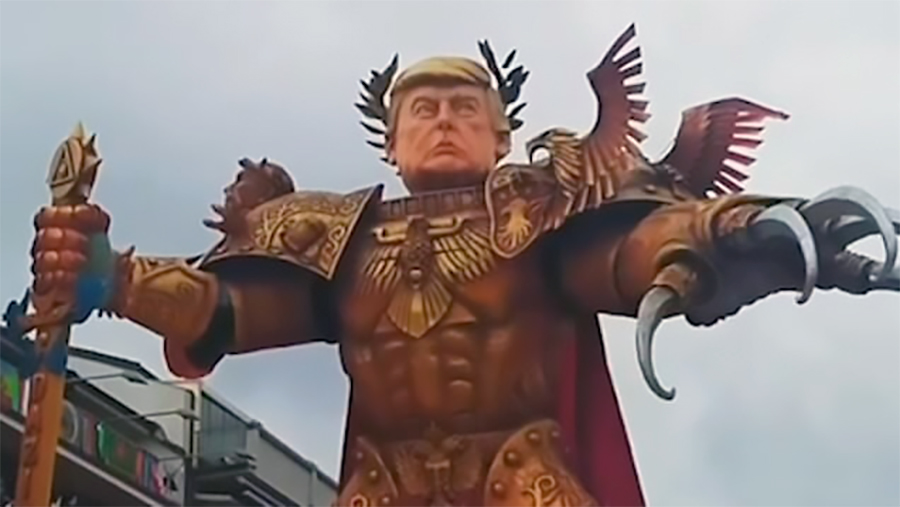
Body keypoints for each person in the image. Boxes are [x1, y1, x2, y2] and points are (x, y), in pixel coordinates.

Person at [22, 25, 898, 506]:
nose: (443, 120)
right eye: (424, 110)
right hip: (382, 483)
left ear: (502, 133)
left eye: (463, 108)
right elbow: (228, 310)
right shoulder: (330, 236)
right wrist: (113, 276)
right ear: (391, 139)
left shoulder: (546, 213)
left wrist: (738, 229)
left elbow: (628, 254)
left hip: (524, 476)